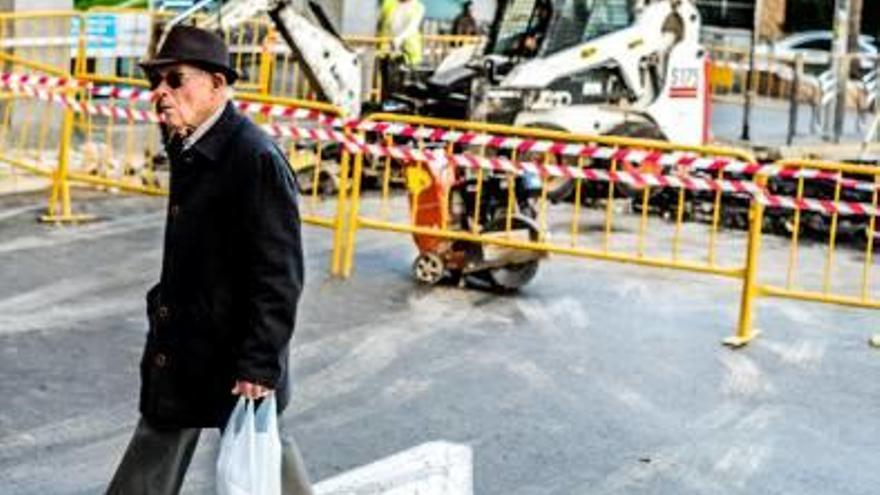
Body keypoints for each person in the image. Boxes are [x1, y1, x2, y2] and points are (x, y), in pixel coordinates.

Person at [105, 25, 312, 495]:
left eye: (175, 80)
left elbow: (279, 272)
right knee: (161, 436)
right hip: (188, 340)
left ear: (217, 84)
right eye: (155, 82)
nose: (160, 93)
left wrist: (260, 363)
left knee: (262, 449)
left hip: (234, 350)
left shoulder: (252, 156)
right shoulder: (189, 143)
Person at [378, 0, 426, 66]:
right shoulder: (388, 3)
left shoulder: (418, 7)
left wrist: (399, 39)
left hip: (409, 53)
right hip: (387, 51)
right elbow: (380, 23)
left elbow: (412, 27)